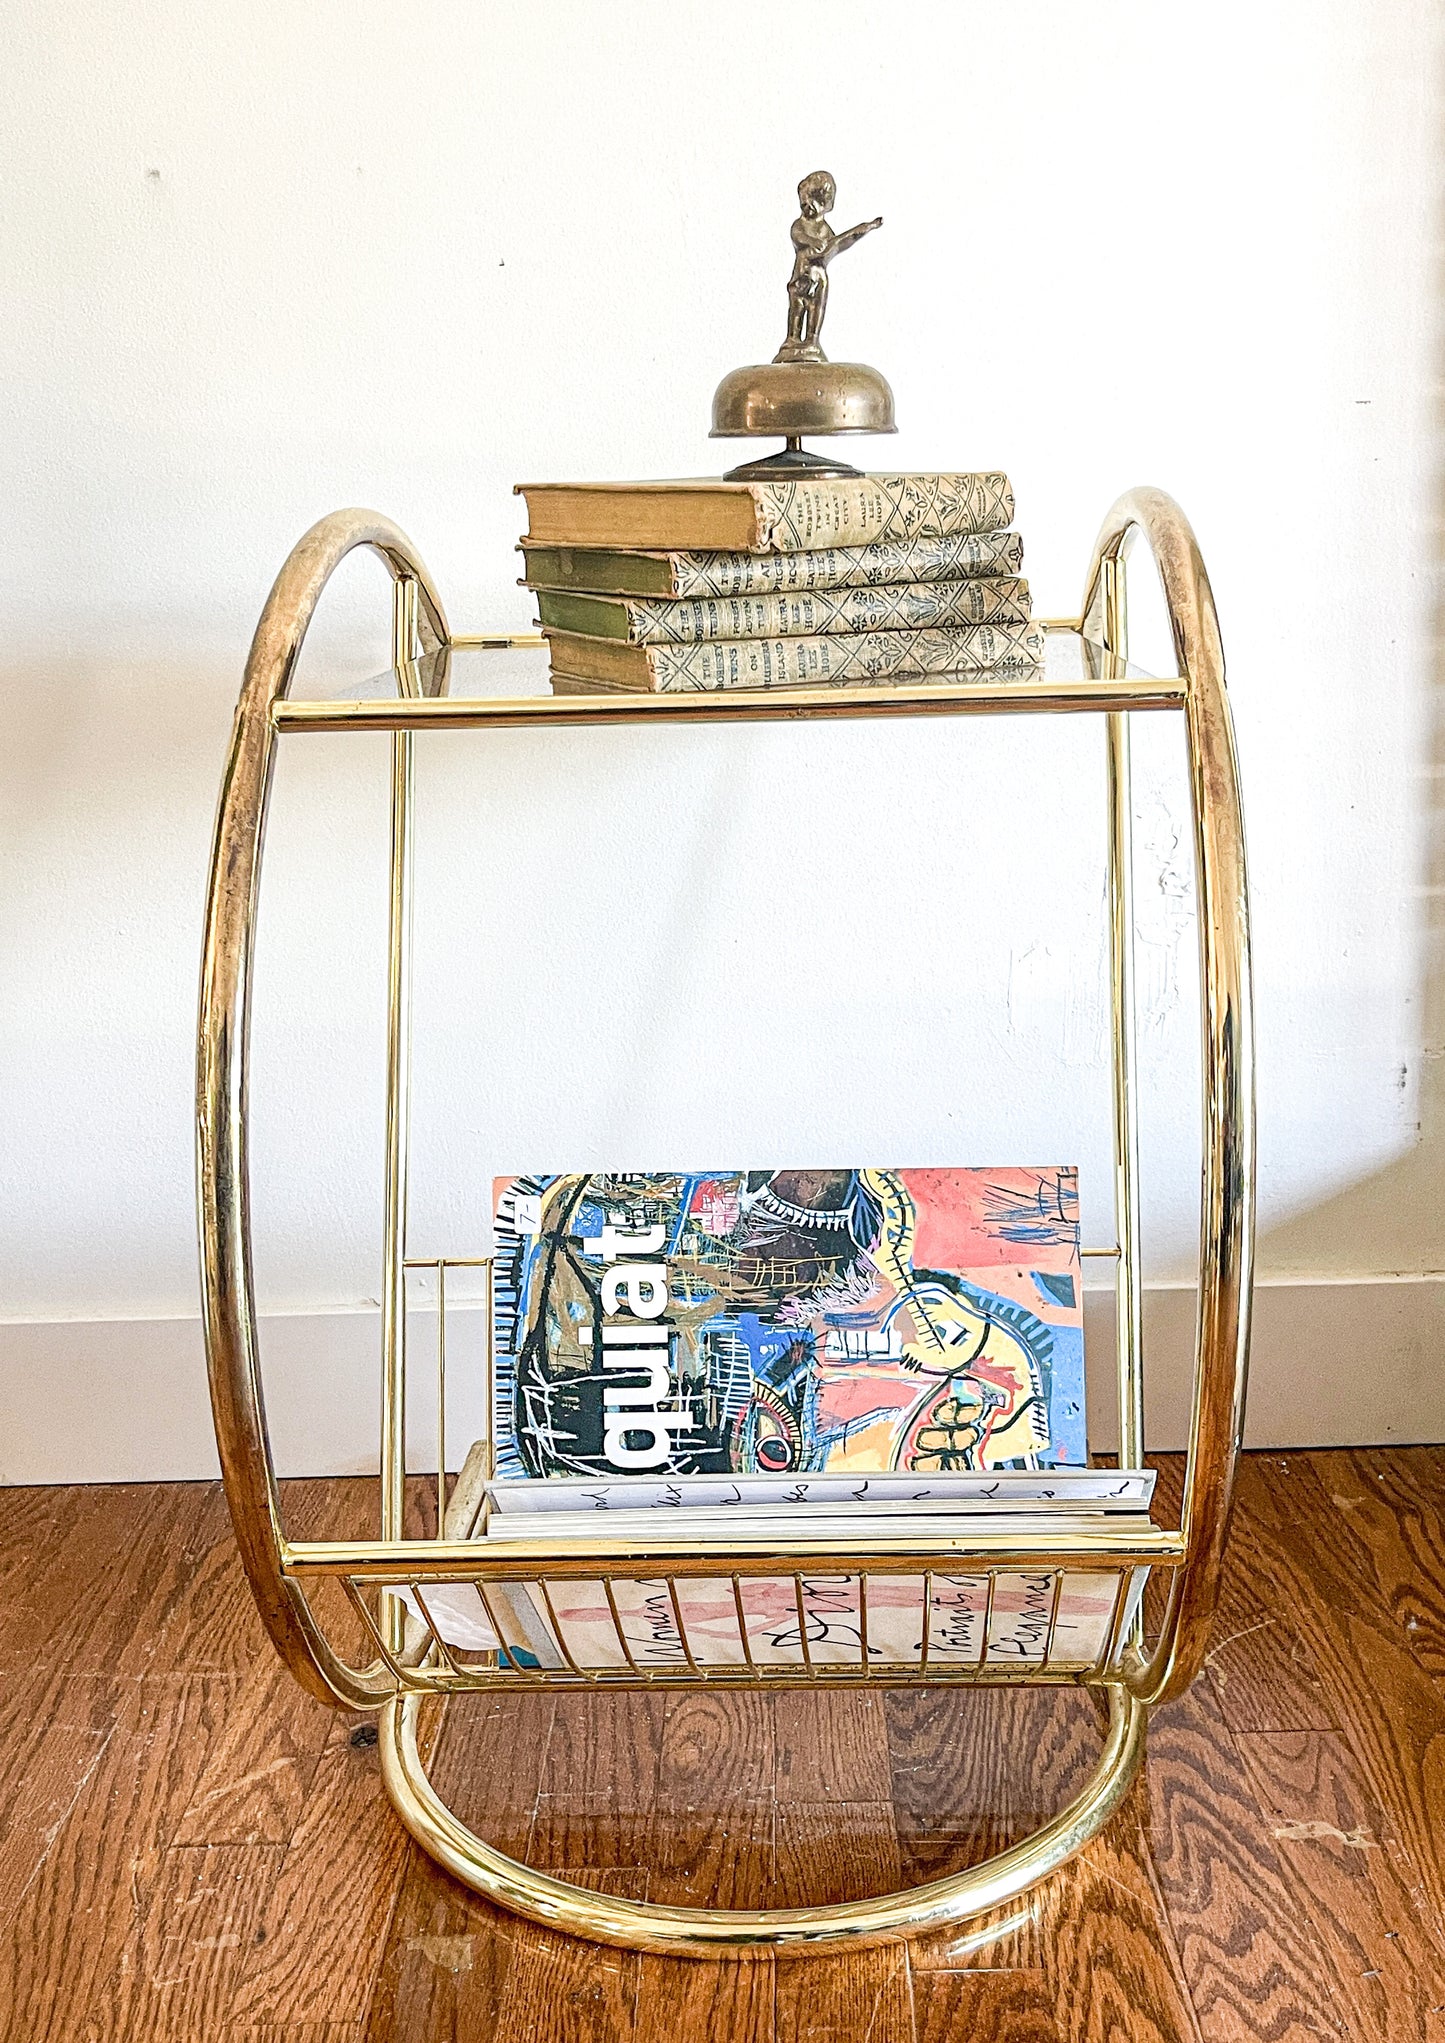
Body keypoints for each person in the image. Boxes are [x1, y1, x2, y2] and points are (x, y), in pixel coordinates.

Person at [777, 171, 882, 363]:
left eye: (814, 202)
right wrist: (813, 243)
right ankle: (792, 338)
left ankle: (812, 339)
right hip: (801, 277)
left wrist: (865, 228)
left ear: (825, 206)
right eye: (804, 202)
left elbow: (837, 245)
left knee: (816, 308)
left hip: (819, 278)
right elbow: (801, 238)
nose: (808, 206)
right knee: (798, 306)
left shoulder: (824, 229)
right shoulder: (799, 225)